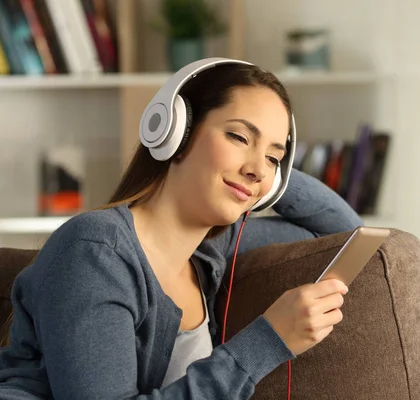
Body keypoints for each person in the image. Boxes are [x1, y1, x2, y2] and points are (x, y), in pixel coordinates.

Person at [0, 58, 362, 399]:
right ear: (175, 130)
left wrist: (275, 182)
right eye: (239, 137)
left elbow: (343, 233)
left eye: (273, 157)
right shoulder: (94, 252)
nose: (258, 169)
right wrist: (268, 341)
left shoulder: (209, 248)